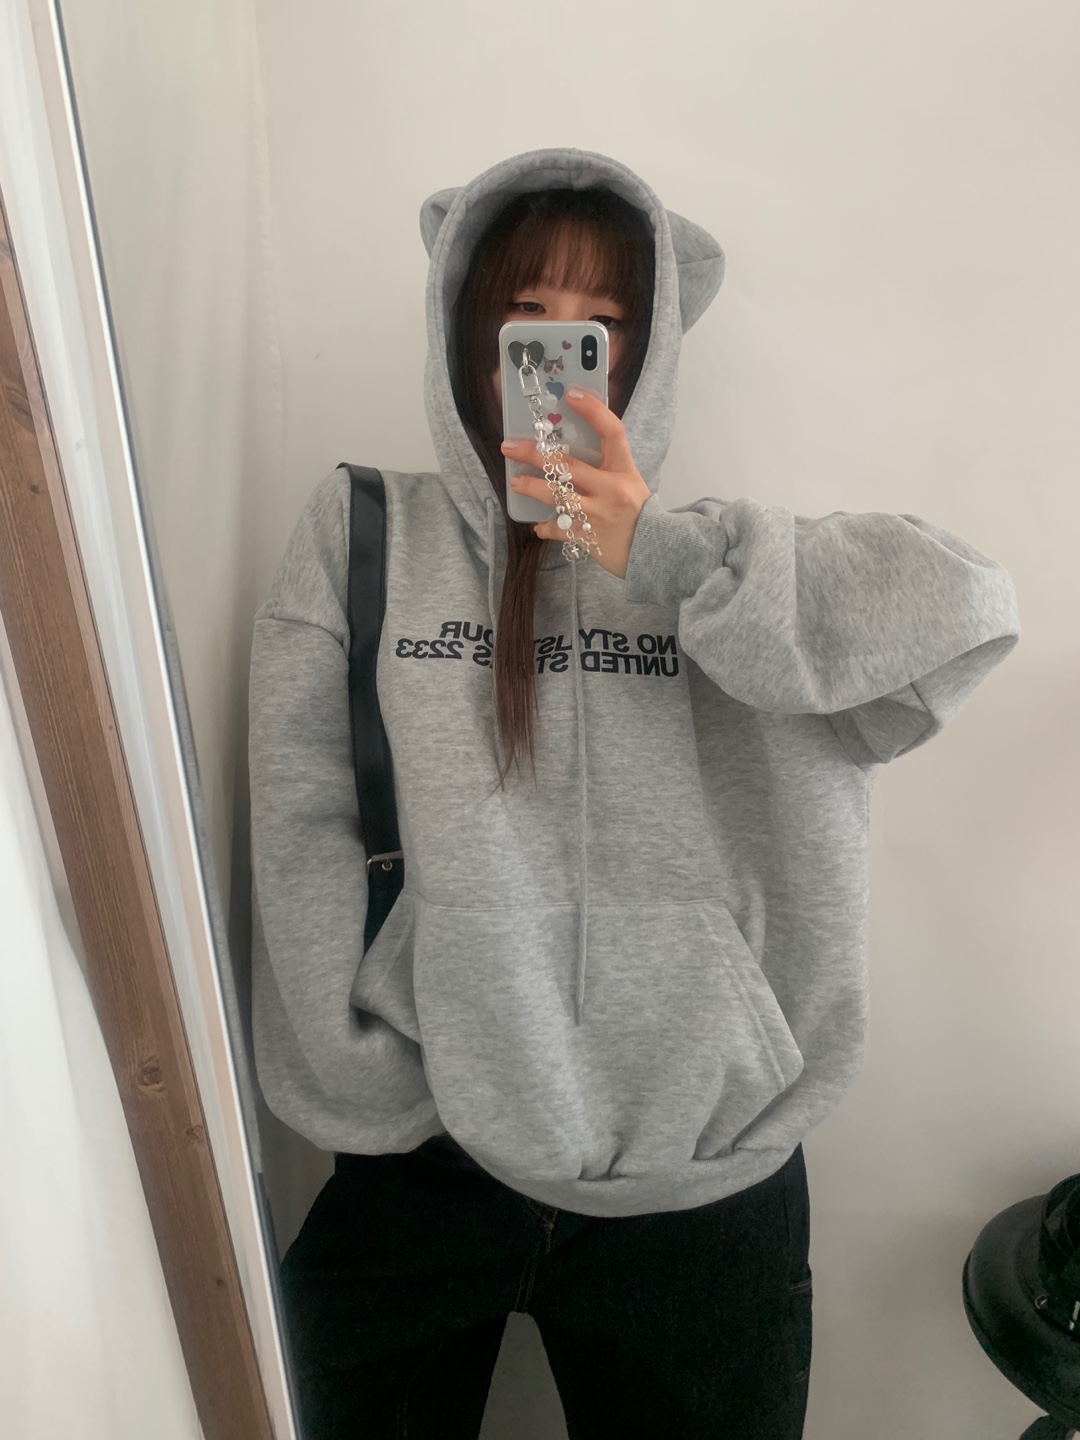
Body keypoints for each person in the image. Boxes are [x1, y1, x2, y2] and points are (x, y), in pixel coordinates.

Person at [247, 148, 1020, 1439]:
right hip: (430, 1152)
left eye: (599, 326)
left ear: (647, 357)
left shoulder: (736, 574)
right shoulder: (366, 534)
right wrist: (368, 1081)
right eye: (525, 316)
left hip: (705, 1185)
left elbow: (969, 610)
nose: (561, 355)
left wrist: (650, 550)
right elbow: (300, 816)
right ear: (467, 336)